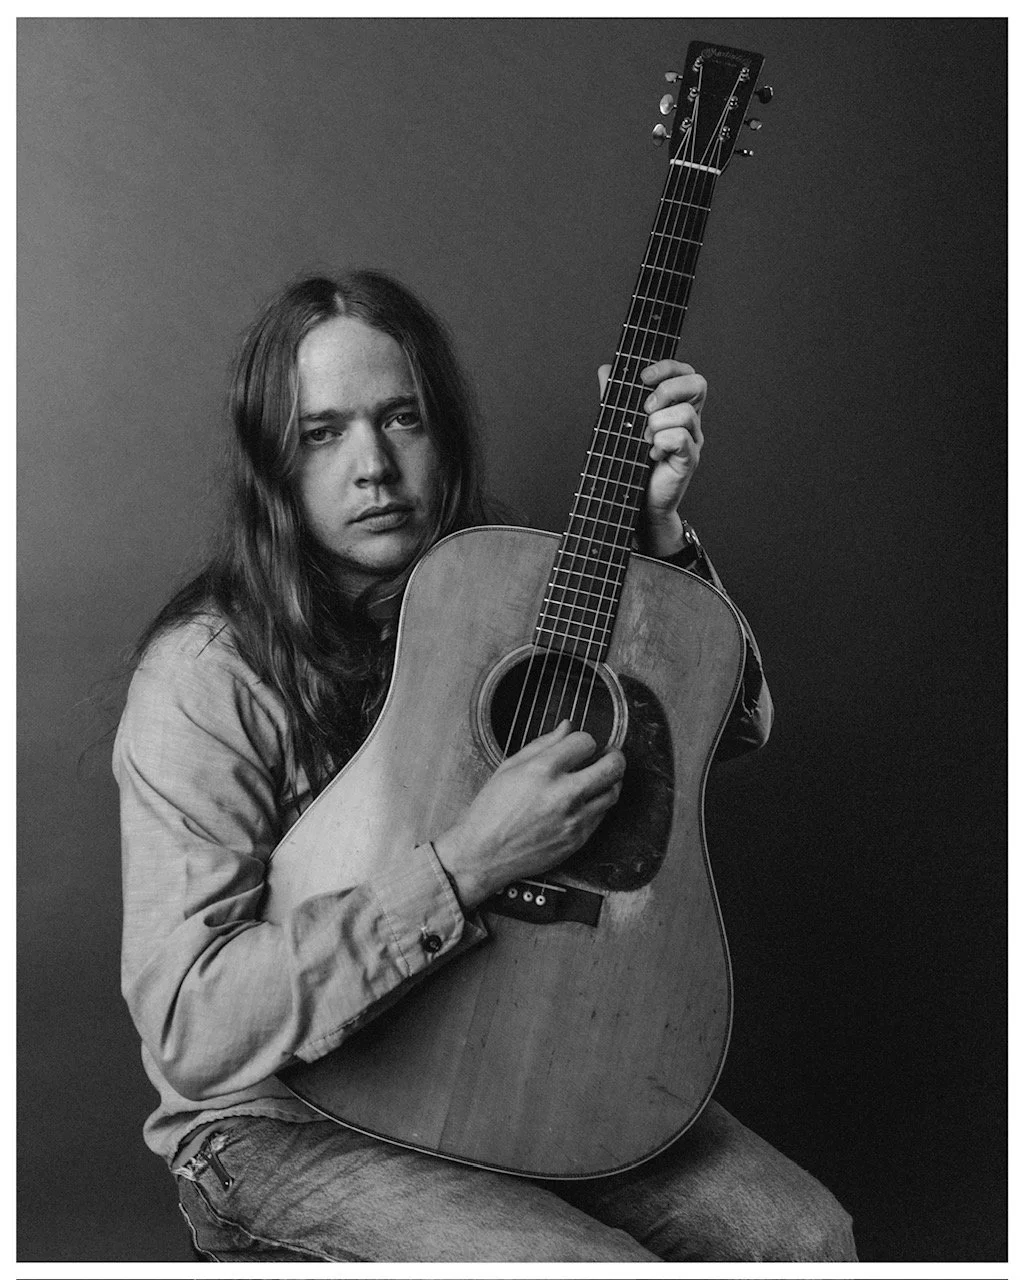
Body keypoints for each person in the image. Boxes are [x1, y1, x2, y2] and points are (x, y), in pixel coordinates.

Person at [115, 269, 857, 1262]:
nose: (372, 465)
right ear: (272, 463)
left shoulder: (502, 587)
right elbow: (194, 1023)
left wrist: (658, 533)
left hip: (521, 1060)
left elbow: (731, 729)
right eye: (322, 431)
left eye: (400, 418)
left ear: (445, 431)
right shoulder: (204, 678)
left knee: (804, 1236)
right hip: (278, 1115)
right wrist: (470, 859)